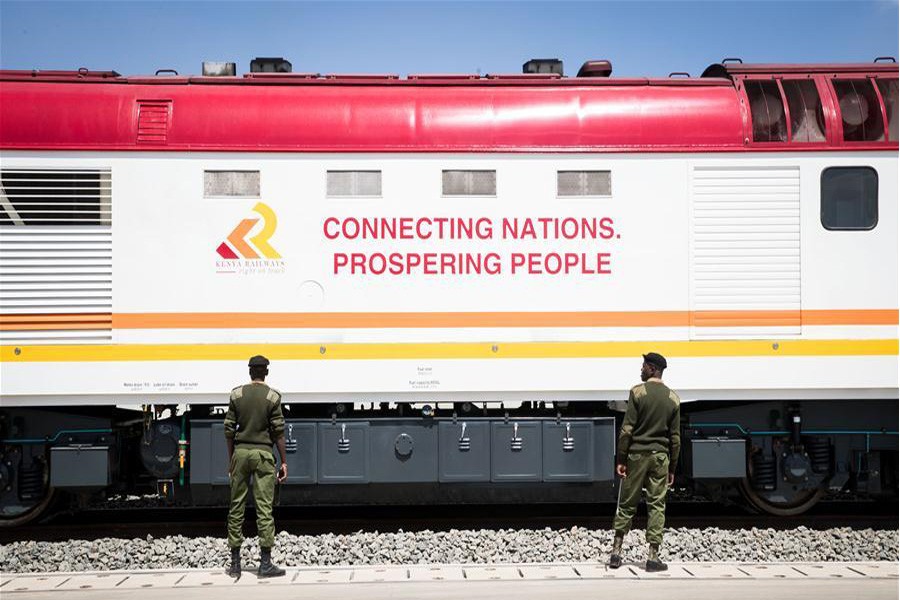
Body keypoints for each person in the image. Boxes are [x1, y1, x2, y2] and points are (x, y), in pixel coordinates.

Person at [608, 352, 680, 572]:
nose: (641, 370)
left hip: (637, 456)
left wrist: (621, 458)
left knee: (627, 503)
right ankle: (653, 557)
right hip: (660, 458)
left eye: (643, 366)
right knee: (657, 505)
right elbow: (675, 439)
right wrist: (672, 468)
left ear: (651, 369)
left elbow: (627, 430)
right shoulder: (673, 399)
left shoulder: (637, 393)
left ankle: (616, 553)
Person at [224, 355, 288, 578]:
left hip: (240, 454)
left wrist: (231, 459)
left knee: (236, 506)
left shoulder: (237, 394)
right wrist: (284, 461)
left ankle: (234, 563)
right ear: (266, 372)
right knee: (264, 508)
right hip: (263, 455)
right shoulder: (272, 396)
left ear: (250, 372)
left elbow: (229, 429)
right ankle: (265, 563)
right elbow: (278, 432)